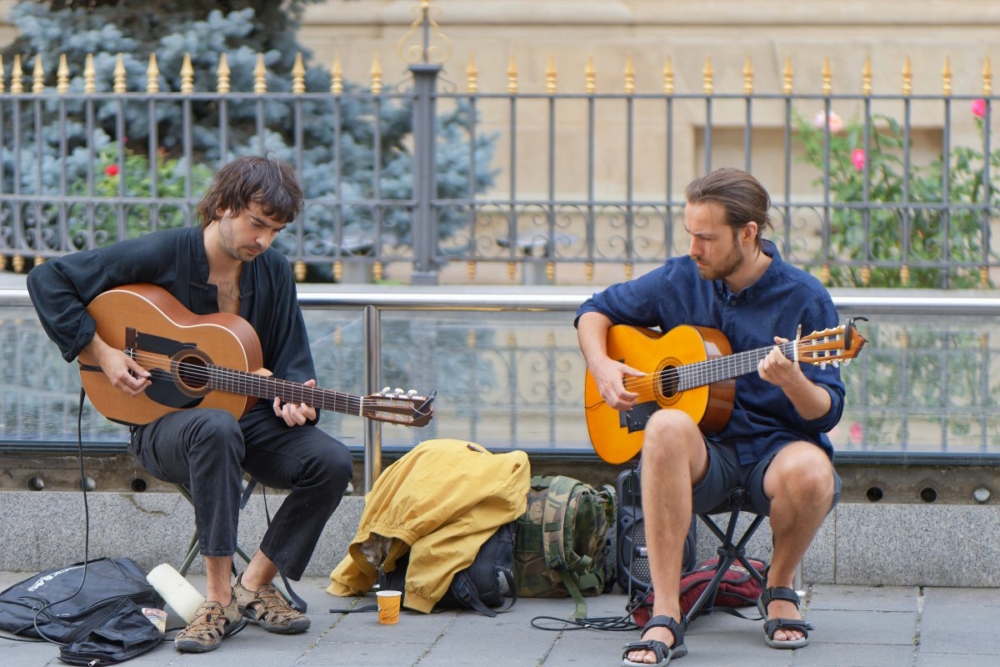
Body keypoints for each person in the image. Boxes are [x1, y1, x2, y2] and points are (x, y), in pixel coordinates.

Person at [27, 155, 354, 654]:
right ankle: (216, 600)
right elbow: (48, 280)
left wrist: (296, 403)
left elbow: (291, 367)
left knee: (331, 461)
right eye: (257, 224)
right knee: (215, 426)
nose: (263, 241)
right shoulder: (163, 253)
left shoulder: (274, 274)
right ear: (222, 206)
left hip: (249, 421)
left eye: (275, 231)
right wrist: (104, 353)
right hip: (161, 427)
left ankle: (255, 585)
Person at [576, 168, 844, 666]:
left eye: (706, 238)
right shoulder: (681, 277)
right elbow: (595, 310)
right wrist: (604, 365)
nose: (694, 248)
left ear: (748, 233)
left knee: (813, 469)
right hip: (702, 458)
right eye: (690, 235)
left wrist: (793, 380)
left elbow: (826, 412)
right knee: (664, 425)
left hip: (775, 453)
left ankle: (779, 586)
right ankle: (665, 610)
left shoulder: (805, 298)